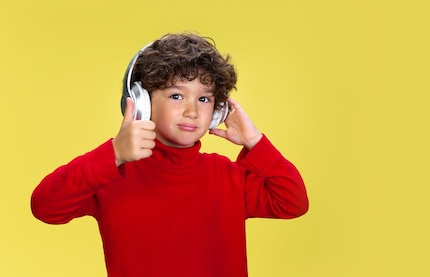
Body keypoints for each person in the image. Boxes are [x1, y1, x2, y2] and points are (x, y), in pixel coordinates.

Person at [31, 33, 309, 277]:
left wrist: (254, 142)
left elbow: (293, 202)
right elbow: (46, 206)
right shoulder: (111, 172)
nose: (192, 111)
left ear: (217, 111)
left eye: (204, 99)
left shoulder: (227, 177)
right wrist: (114, 153)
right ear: (143, 102)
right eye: (177, 96)